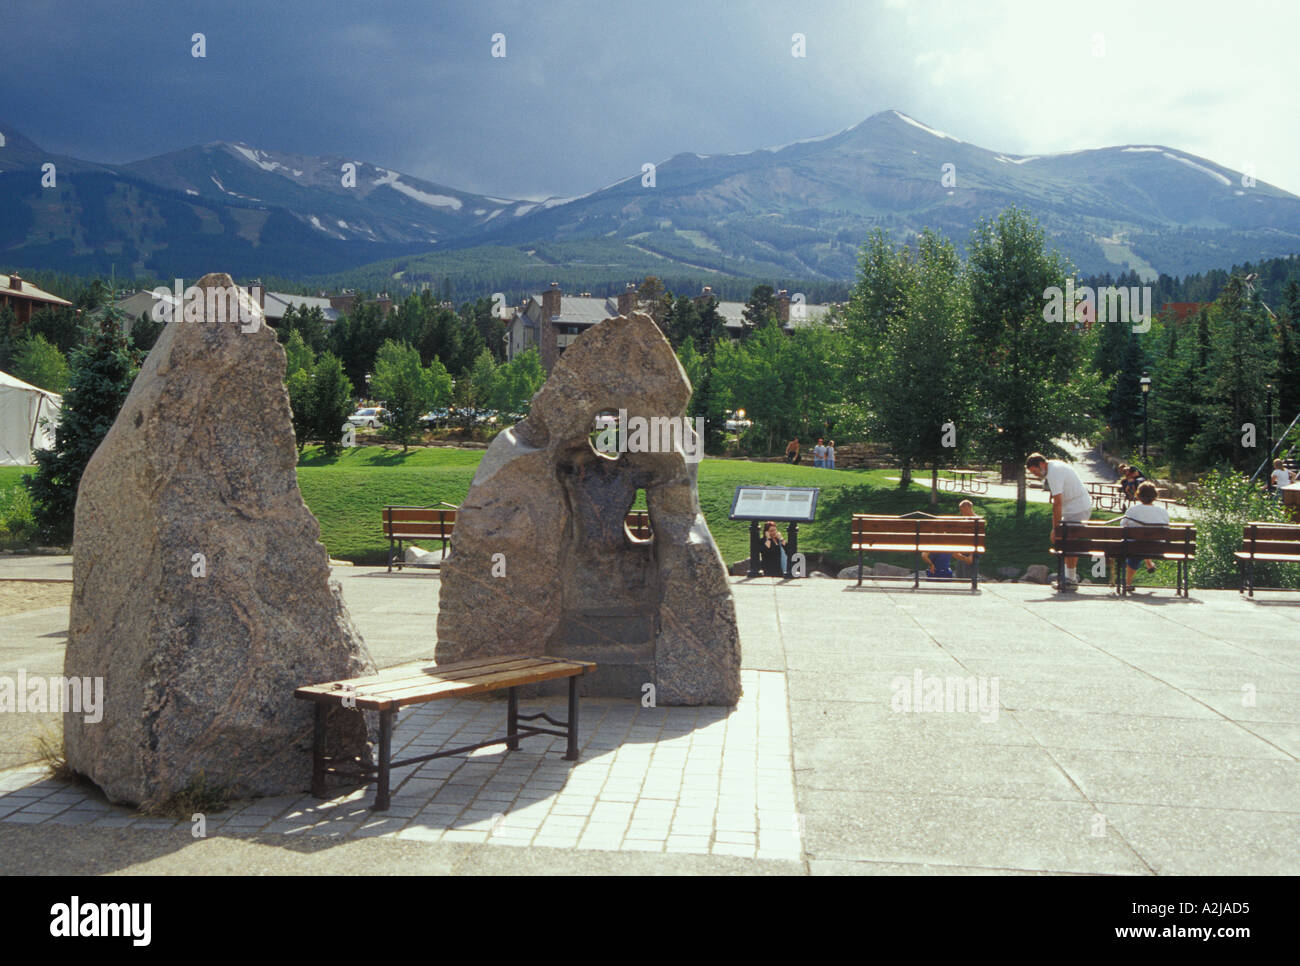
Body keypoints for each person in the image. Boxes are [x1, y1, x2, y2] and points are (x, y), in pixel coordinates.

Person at [1026, 452, 1092, 590]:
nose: (1035, 474)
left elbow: (1057, 503)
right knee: (1067, 542)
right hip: (1076, 507)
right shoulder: (1055, 466)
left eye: (1035, 471)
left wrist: (1055, 529)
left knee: (1067, 541)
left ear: (1042, 464)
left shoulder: (1054, 473)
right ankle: (1069, 578)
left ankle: (1071, 579)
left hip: (1077, 508)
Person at [1122, 481, 1171, 588]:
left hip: (1134, 547)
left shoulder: (1132, 510)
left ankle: (1127, 583)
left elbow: (1123, 526)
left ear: (1138, 495)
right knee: (1146, 542)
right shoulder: (1162, 511)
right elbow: (1166, 528)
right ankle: (1149, 563)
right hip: (1156, 547)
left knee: (1135, 546)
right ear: (1155, 495)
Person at [921, 500, 979, 579]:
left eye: (962, 510)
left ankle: (969, 583)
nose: (961, 512)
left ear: (968, 508)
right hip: (965, 551)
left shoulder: (975, 521)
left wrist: (971, 555)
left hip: (970, 551)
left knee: (967, 573)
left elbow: (976, 541)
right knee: (961, 572)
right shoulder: (971, 519)